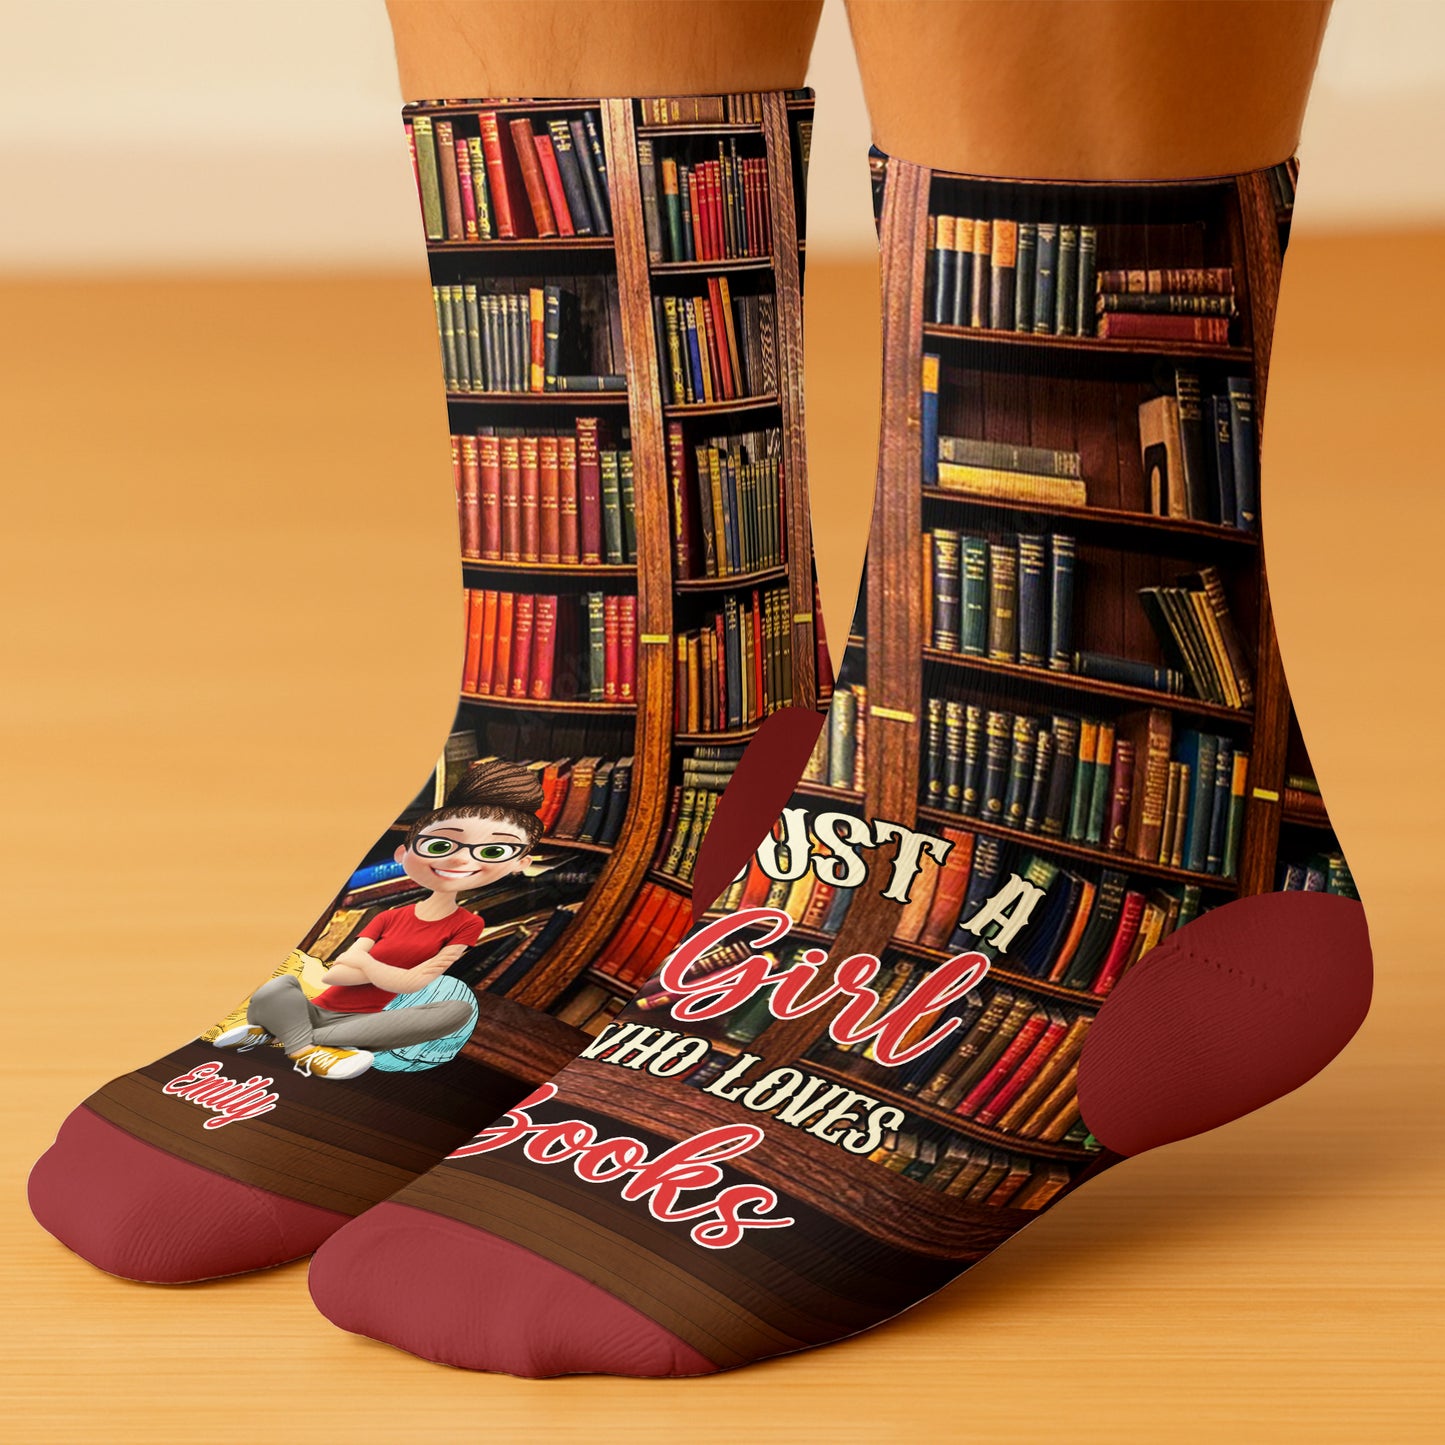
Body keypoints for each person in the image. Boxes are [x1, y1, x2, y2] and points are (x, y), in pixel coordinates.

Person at [215, 758, 542, 1078]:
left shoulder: (468, 923)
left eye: (492, 852)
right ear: (404, 854)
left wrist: (368, 966)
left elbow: (416, 982)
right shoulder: (388, 915)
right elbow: (337, 976)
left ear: (521, 863)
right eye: (441, 845)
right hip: (319, 1009)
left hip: (366, 1020)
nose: (459, 860)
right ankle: (306, 1048)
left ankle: (289, 1037)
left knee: (457, 1012)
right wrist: (385, 974)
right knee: (278, 987)